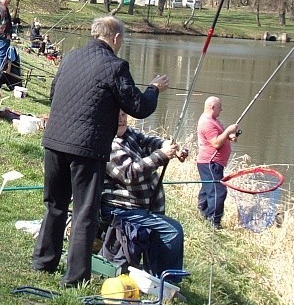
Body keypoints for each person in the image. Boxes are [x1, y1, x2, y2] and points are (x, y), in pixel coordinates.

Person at [31, 16, 170, 288]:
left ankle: (43, 262)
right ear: (116, 38)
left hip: (55, 142)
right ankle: (74, 278)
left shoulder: (70, 58)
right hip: (87, 148)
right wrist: (153, 89)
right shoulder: (115, 66)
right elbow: (138, 107)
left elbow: (53, 94)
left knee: (55, 205)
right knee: (85, 212)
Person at [101, 110, 188, 277]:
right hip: (119, 208)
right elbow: (129, 174)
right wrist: (161, 156)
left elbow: (148, 141)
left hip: (139, 208)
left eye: (124, 115)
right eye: (116, 115)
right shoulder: (108, 143)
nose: (121, 120)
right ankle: (167, 282)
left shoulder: (129, 134)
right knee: (172, 230)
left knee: (164, 230)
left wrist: (168, 147)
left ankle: (156, 276)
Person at [197, 96, 239, 229]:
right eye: (220, 107)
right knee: (218, 191)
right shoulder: (207, 123)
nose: (222, 109)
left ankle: (202, 214)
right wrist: (228, 131)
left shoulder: (214, 121)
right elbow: (215, 143)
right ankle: (214, 223)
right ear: (213, 107)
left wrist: (229, 136)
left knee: (208, 189)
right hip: (210, 162)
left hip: (214, 163)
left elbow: (219, 137)